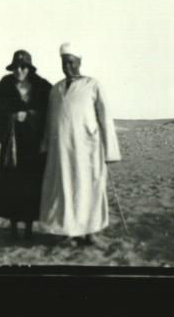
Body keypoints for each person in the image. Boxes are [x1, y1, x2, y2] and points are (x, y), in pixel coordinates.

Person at [39, 43, 122, 246]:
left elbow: (105, 118)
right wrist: (46, 145)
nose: (68, 66)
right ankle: (68, 232)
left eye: (71, 62)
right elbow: (50, 120)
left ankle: (90, 233)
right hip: (61, 153)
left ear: (79, 62)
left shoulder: (92, 85)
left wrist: (110, 151)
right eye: (64, 63)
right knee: (66, 191)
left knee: (88, 190)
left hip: (88, 151)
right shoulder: (56, 89)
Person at [0, 50, 51, 241]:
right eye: (16, 67)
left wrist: (32, 117)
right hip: (12, 146)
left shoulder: (42, 88)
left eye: (23, 67)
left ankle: (30, 227)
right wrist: (12, 118)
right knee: (12, 186)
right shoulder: (3, 88)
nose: (19, 70)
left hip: (33, 146)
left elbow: (49, 114)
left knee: (31, 185)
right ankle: (14, 227)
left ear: (29, 68)